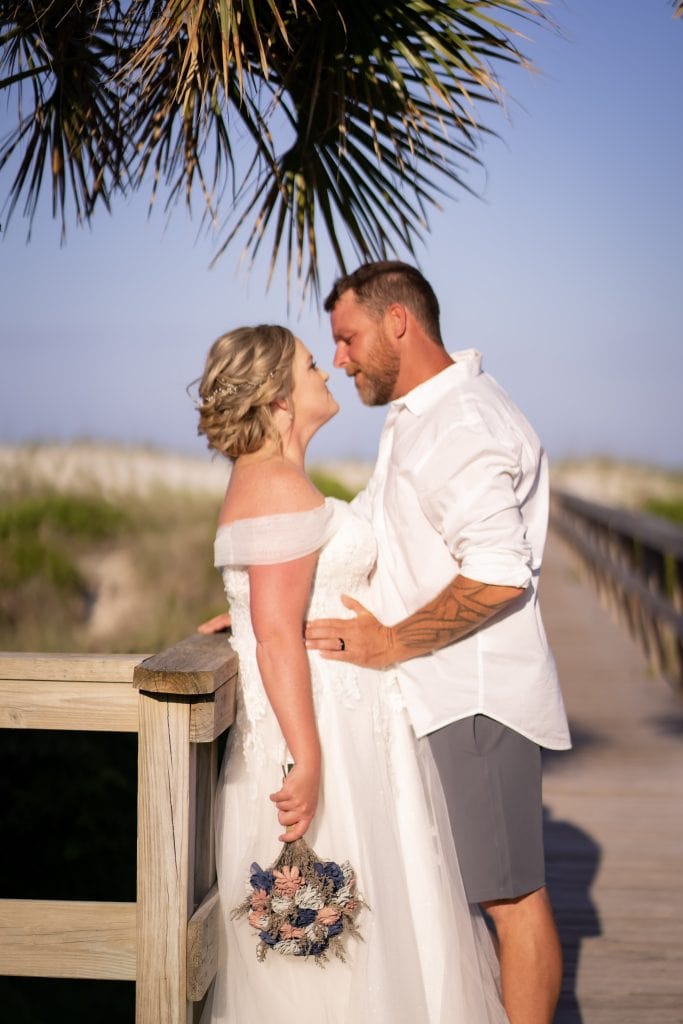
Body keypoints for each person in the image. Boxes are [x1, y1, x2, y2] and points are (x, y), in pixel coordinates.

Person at [194, 324, 508, 1024]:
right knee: (333, 943)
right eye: (310, 365)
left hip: (350, 724)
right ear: (278, 396)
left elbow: (273, 606)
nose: (325, 373)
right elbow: (277, 638)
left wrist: (241, 614)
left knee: (367, 927)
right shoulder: (274, 482)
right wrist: (306, 761)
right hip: (320, 730)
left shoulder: (276, 477)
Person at [304, 261, 572, 1024]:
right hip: (443, 692)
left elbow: (497, 574)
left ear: (398, 323)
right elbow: (375, 537)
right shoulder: (422, 413)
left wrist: (391, 641)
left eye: (349, 339)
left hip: (473, 697)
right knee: (495, 893)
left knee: (510, 900)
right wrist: (262, 606)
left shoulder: (461, 423)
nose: (342, 359)